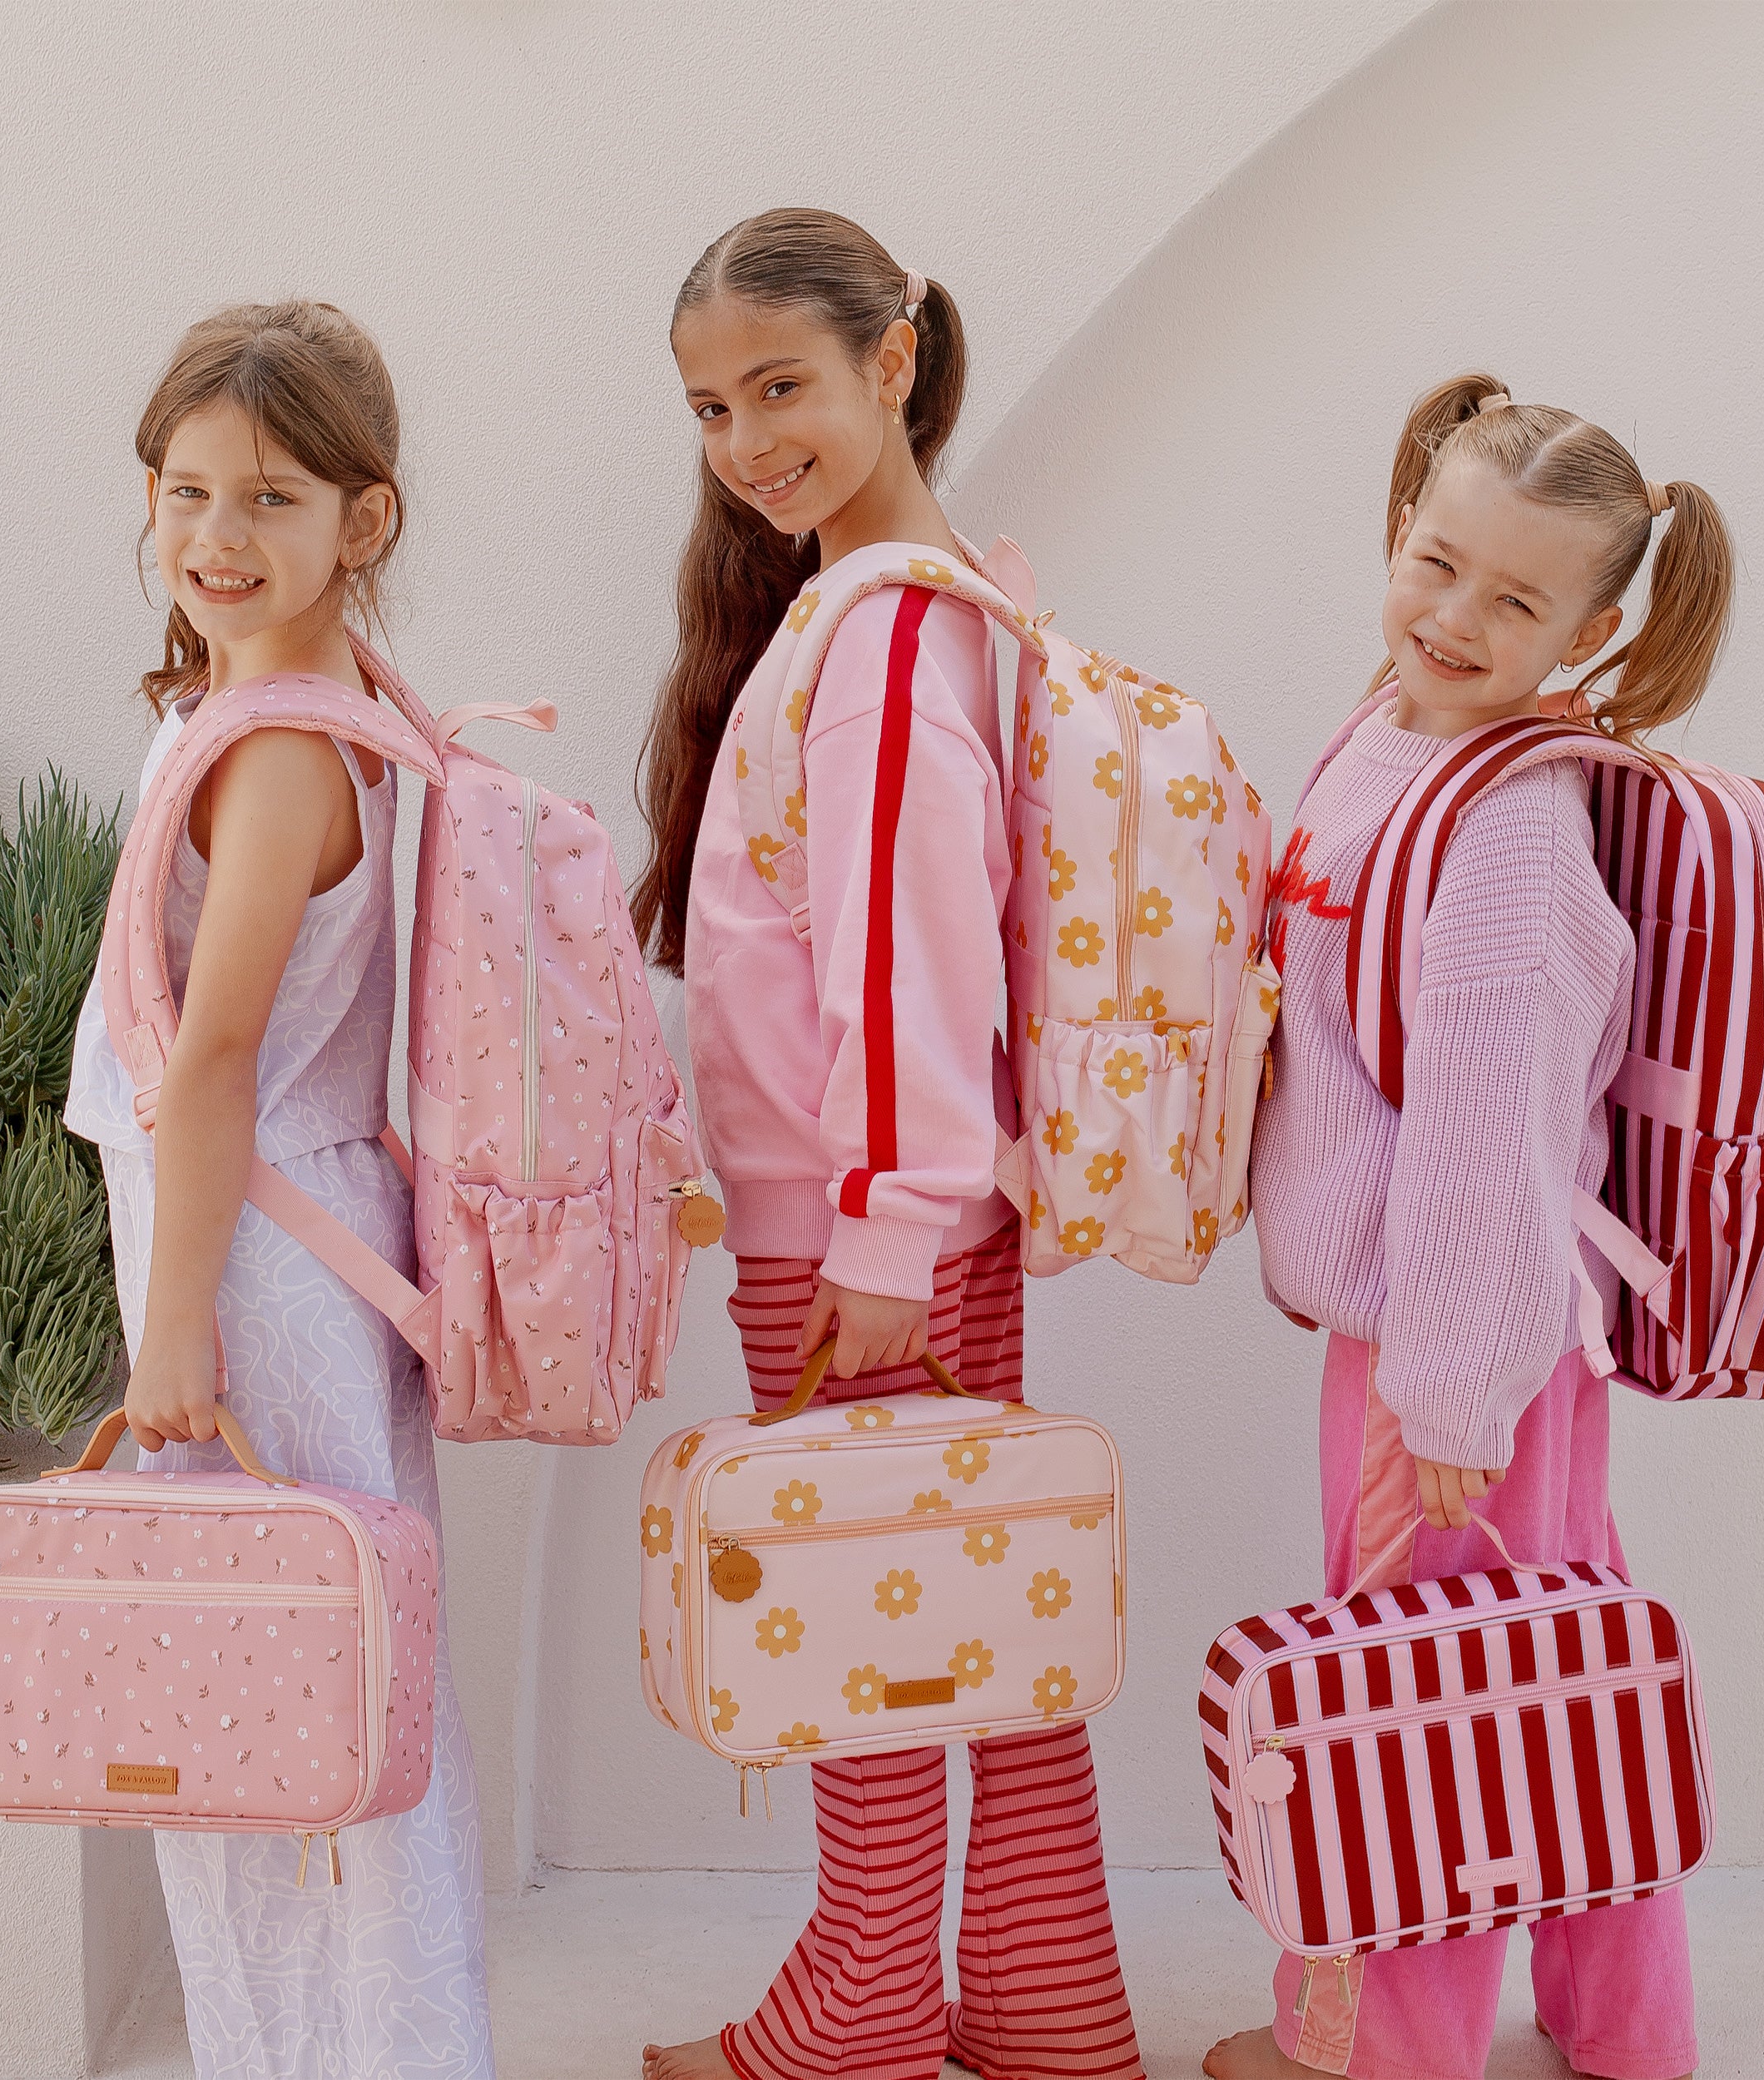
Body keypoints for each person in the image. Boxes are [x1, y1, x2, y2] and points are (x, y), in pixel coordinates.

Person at [633, 207, 1145, 2080]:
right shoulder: (908, 608)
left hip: (868, 1235)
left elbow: (897, 960)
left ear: (894, 358)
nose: (748, 439)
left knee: (872, 1619)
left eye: (782, 385)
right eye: (709, 405)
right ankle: (1043, 2004)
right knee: (974, 1601)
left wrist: (873, 1239)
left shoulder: (880, 635)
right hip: (913, 1216)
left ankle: (861, 2007)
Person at [1209, 374, 1734, 2080]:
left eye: (1512, 600)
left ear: (1588, 629)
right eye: (1434, 561)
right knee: (1553, 1662)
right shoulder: (1389, 729)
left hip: (1450, 1343)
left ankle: (1383, 2045)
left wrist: (1445, 1398)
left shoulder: (1503, 818)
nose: (1449, 615)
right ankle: (1621, 2023)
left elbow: (1481, 1142)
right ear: (1396, 527)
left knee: (1411, 1703)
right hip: (1490, 1334)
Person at [65, 299, 494, 2080]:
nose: (219, 539)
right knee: (310, 1712)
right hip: (284, 1243)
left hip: (250, 1264)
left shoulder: (275, 754)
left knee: (284, 1729)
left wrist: (175, 1334)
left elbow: (219, 1054)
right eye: (186, 493)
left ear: (361, 524)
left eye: (272, 498)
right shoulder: (302, 710)